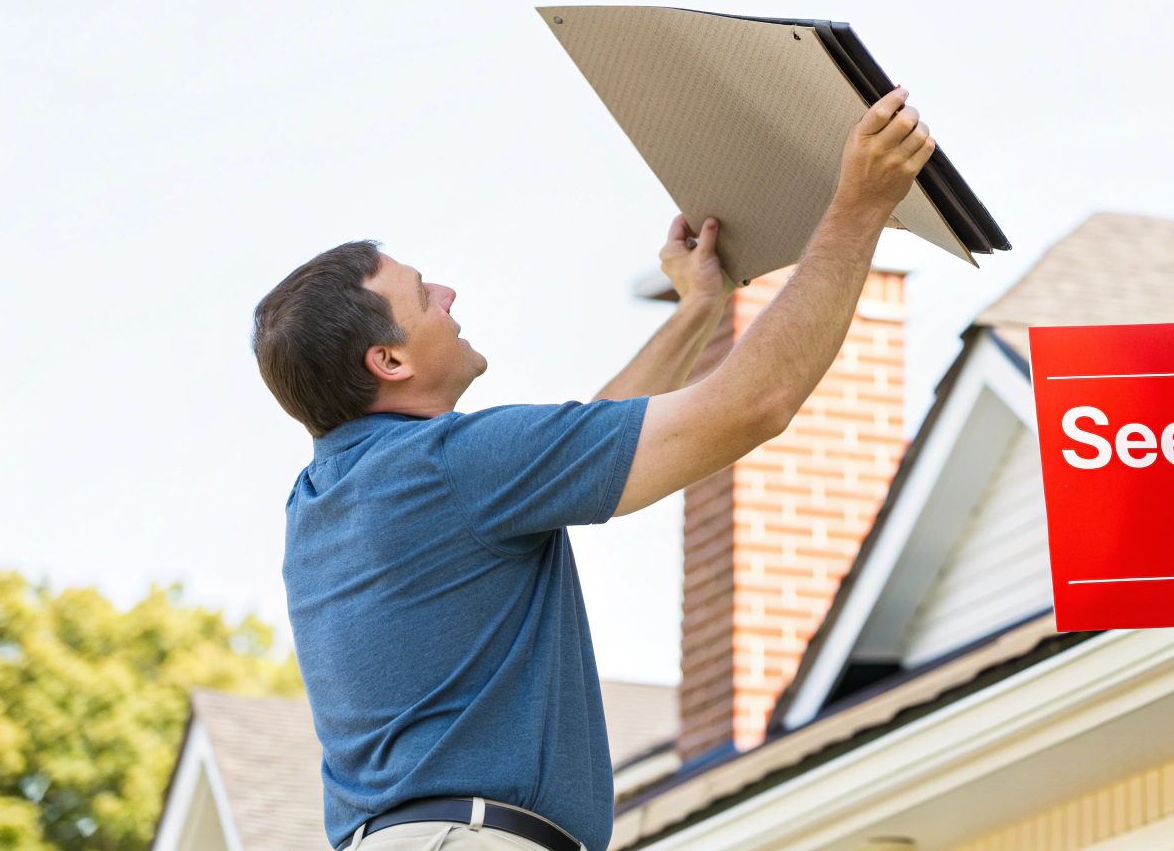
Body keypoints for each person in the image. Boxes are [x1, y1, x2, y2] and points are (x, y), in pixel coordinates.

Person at [252, 87, 935, 851]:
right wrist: (859, 207)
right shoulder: (450, 467)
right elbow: (755, 405)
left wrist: (698, 310)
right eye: (423, 294)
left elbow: (586, 446)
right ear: (390, 359)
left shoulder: (331, 492)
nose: (448, 292)